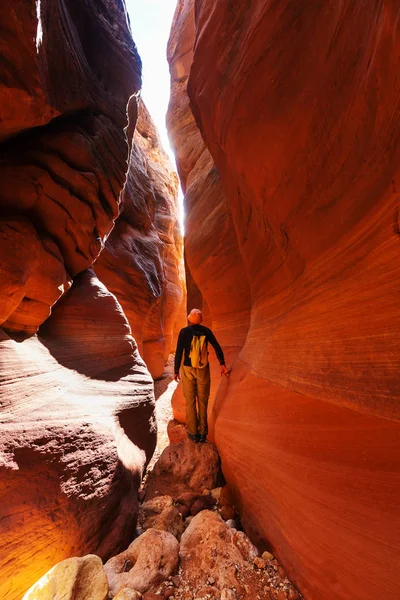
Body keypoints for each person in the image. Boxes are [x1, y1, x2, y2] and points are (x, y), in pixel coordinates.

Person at [174, 308, 230, 442]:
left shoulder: (184, 332)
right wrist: (222, 364)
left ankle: (193, 433)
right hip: (203, 369)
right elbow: (216, 346)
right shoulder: (206, 331)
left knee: (190, 401)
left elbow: (179, 352)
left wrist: (176, 370)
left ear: (189, 319)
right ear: (201, 320)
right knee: (203, 401)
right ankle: (203, 433)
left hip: (188, 369)